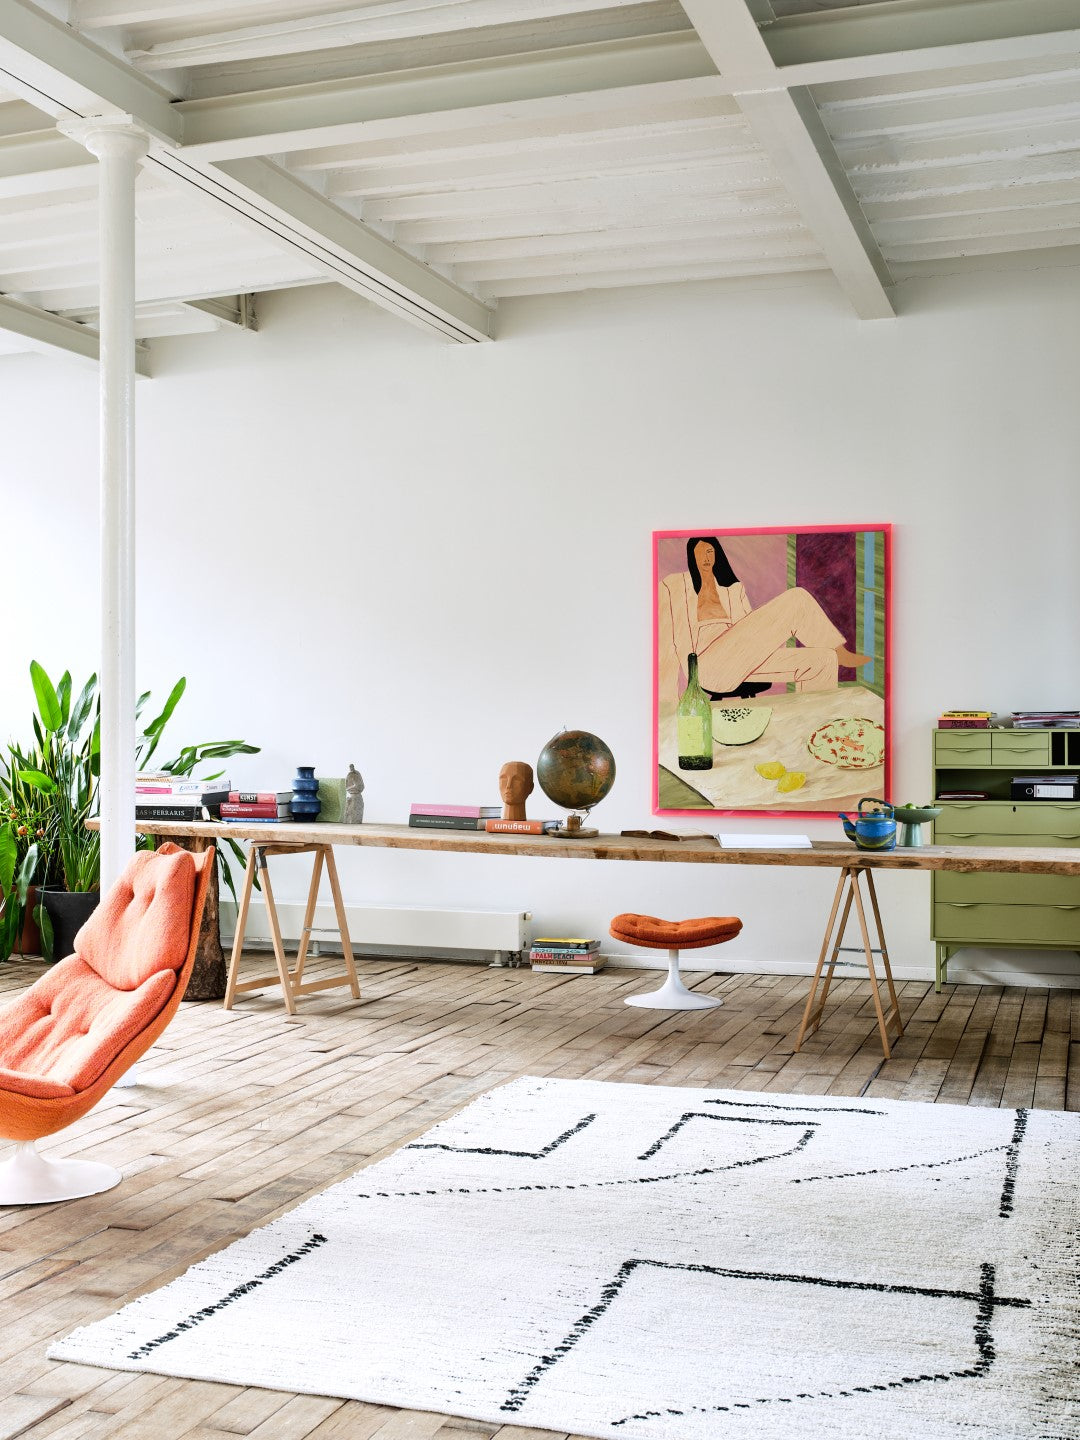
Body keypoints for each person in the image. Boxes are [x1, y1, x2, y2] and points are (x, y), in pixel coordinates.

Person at [658, 536, 870, 710]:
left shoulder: (732, 589)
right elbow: (667, 642)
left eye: (710, 551)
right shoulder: (675, 586)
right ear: (691, 555)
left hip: (737, 661)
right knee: (796, 598)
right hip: (706, 667)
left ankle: (814, 723)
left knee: (822, 660)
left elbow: (752, 632)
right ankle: (838, 648)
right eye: (699, 552)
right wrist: (667, 703)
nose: (705, 557)